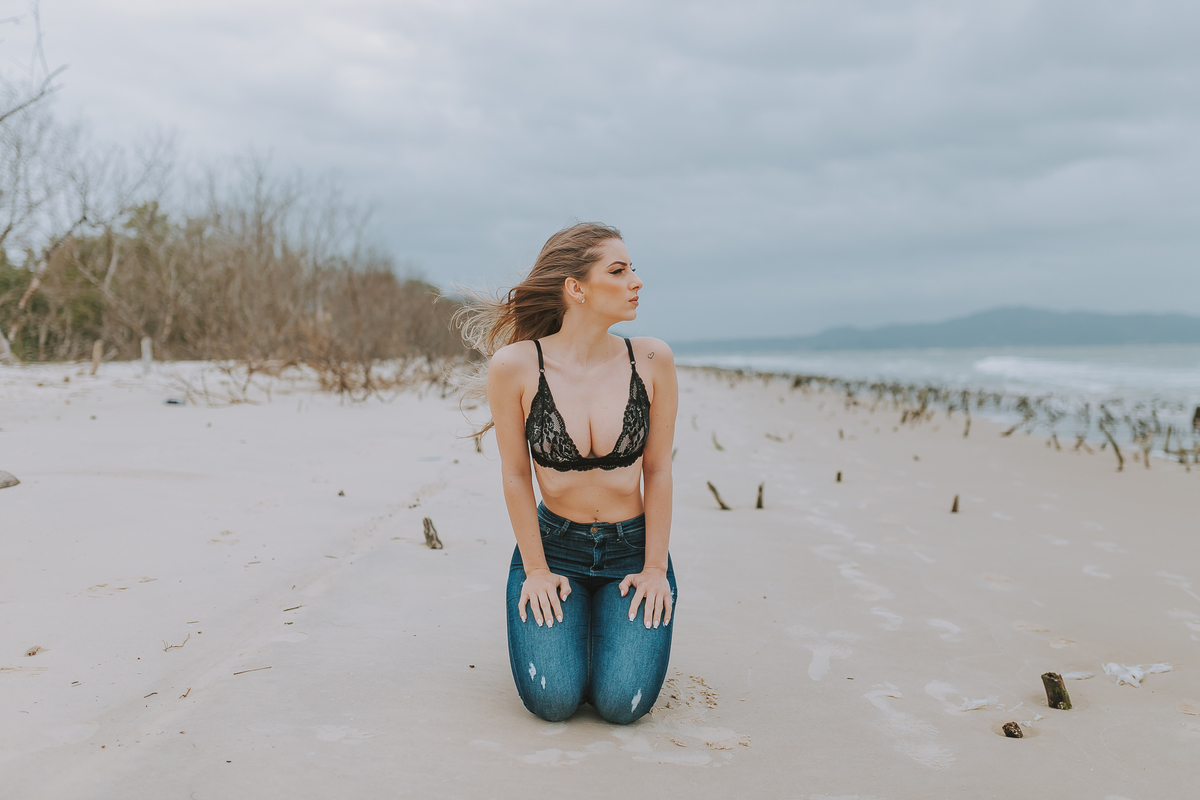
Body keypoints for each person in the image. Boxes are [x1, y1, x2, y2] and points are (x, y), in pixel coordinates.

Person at [456, 222, 678, 724]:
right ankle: (584, 627)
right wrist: (535, 570)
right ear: (576, 288)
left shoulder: (651, 358)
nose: (635, 281)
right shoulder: (515, 365)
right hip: (554, 549)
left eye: (632, 269)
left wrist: (655, 570)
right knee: (553, 702)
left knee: (623, 705)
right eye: (618, 271)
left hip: (632, 551)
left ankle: (605, 629)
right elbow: (516, 475)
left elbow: (659, 471)